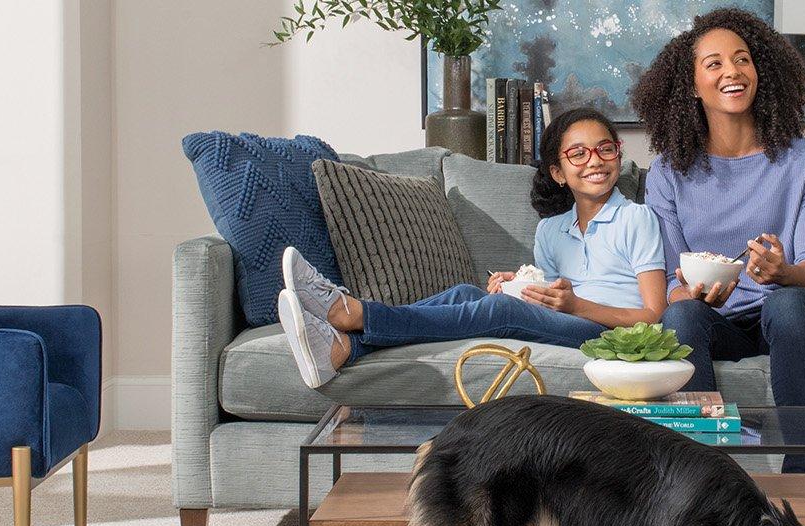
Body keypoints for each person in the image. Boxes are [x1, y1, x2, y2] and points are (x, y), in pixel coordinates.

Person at [279, 108, 667, 389]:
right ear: (557, 173)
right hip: (566, 320)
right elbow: (550, 299)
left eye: (605, 149)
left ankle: (354, 312)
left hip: (609, 336)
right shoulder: (551, 230)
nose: (594, 162)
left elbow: (653, 315)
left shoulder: (638, 218)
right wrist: (520, 286)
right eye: (578, 154)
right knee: (468, 293)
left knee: (497, 309)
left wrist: (576, 306)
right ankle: (345, 347)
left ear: (618, 153)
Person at [631, 7, 805, 473]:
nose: (732, 71)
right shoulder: (668, 171)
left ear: (758, 70)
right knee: (683, 314)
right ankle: (711, 476)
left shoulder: (804, 161)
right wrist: (691, 292)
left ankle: (804, 473)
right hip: (720, 324)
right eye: (714, 63)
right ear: (691, 85)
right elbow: (671, 280)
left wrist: (781, 272)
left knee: (784, 303)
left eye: (742, 59)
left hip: (797, 321)